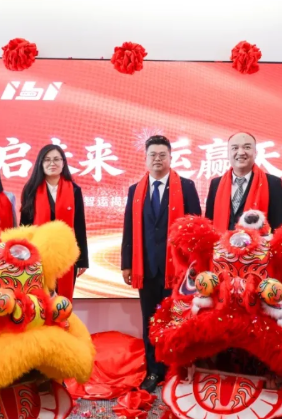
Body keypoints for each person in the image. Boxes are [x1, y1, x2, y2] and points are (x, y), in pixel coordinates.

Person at [121, 135, 202, 393]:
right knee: (150, 321)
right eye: (152, 155)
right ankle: (153, 371)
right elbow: (128, 228)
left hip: (178, 270)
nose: (157, 159)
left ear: (170, 157)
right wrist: (127, 264)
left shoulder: (186, 187)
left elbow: (196, 227)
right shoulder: (135, 190)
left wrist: (195, 265)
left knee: (177, 320)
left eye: (162, 155)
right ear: (146, 159)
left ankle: (176, 370)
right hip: (146, 268)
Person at [20, 144, 88, 299]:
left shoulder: (74, 190)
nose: (52, 163)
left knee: (61, 302)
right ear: (40, 163)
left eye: (57, 159)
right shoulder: (31, 189)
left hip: (66, 255)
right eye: (47, 160)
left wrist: (83, 260)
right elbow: (25, 225)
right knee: (39, 300)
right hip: (38, 256)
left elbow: (79, 225)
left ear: (63, 163)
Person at [205, 132, 282, 231]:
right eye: (235, 148)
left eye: (247, 147)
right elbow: (208, 223)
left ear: (255, 152)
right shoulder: (216, 184)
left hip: (259, 241)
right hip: (221, 240)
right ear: (228, 153)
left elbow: (280, 226)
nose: (240, 152)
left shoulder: (273, 183)